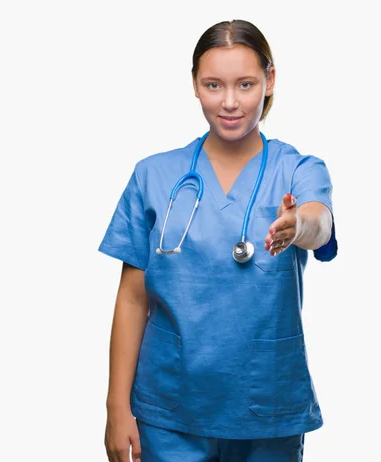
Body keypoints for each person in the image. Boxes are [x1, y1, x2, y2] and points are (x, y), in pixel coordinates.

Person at [99, 19, 338, 462]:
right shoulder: (153, 176)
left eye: (245, 84)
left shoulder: (298, 169)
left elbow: (319, 222)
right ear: (194, 84)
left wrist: (297, 225)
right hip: (169, 409)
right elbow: (132, 298)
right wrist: (116, 408)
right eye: (213, 85)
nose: (229, 102)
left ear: (269, 81)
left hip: (266, 404)